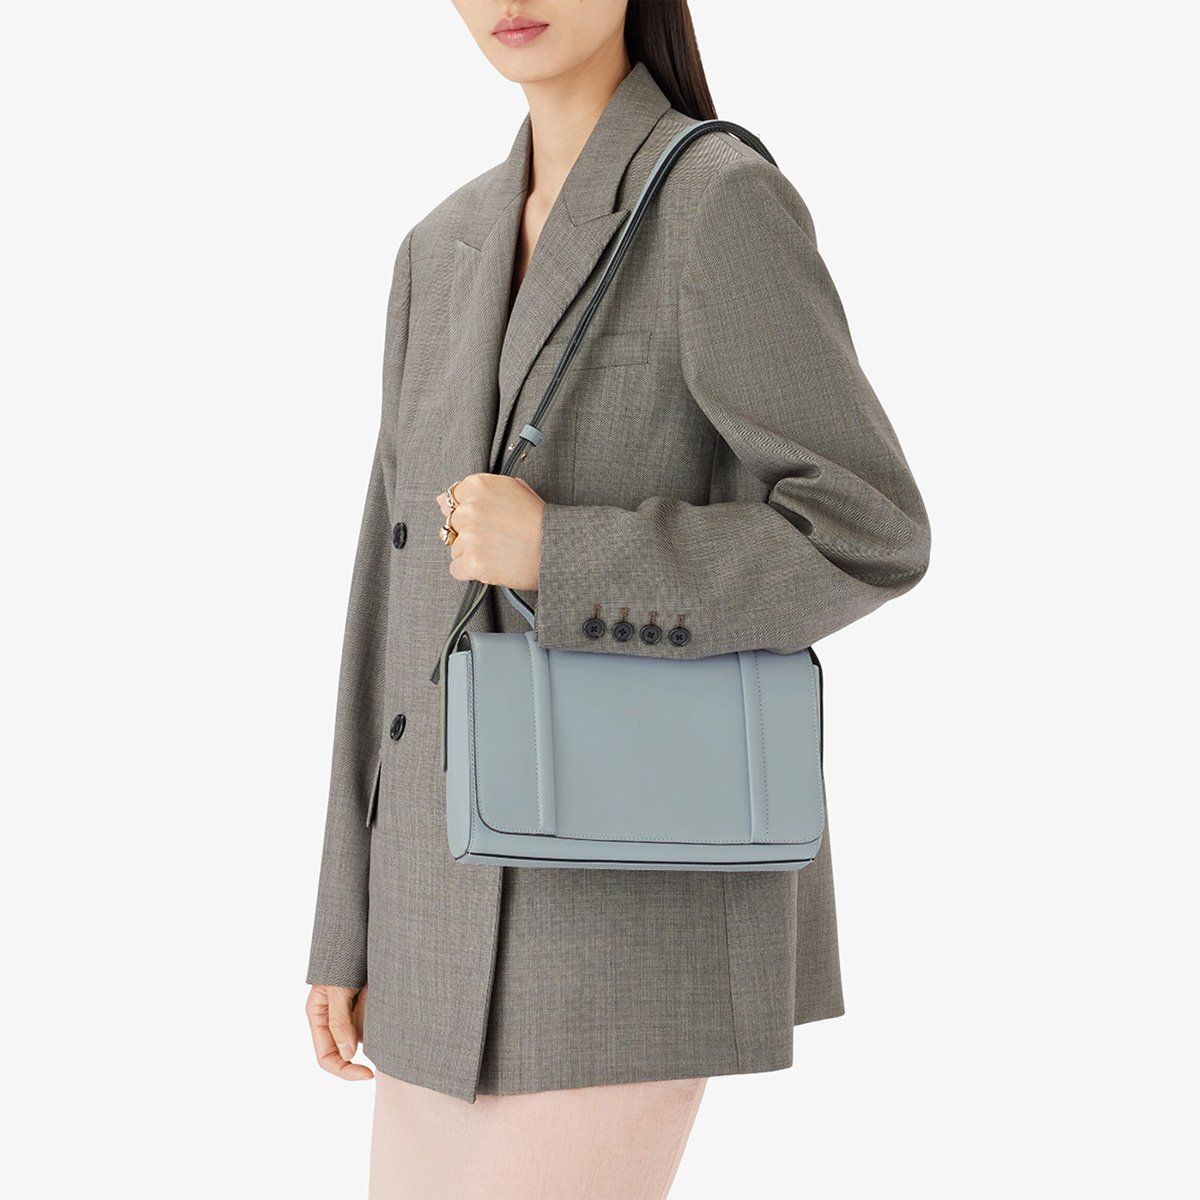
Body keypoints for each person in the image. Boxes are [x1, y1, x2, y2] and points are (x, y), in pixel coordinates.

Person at [305, 2, 930, 1196]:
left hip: (625, 914)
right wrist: (349, 920)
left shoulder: (715, 202)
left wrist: (566, 554)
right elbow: (384, 599)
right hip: (429, 920)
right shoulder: (439, 249)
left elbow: (868, 530)